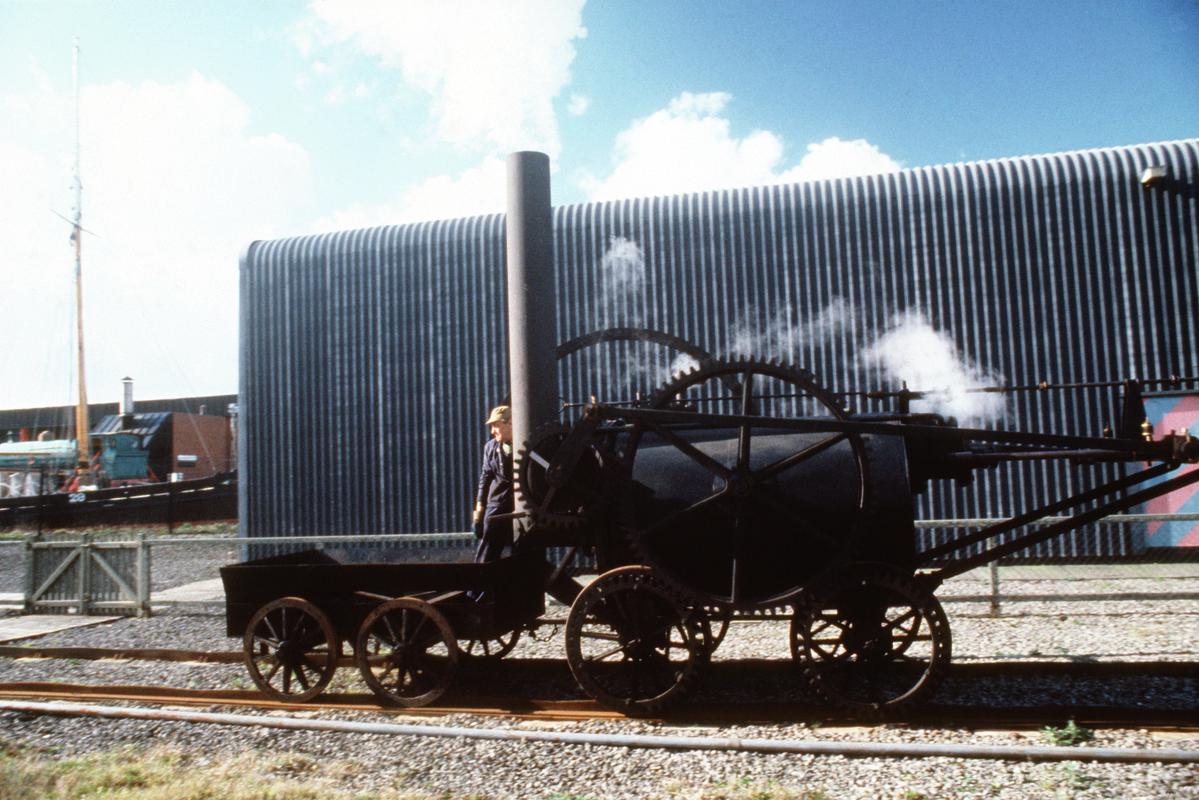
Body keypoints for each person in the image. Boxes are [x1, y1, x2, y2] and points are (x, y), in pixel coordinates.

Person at [473, 404, 514, 563]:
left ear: (509, 423)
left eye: (495, 426)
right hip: (496, 506)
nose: (492, 431)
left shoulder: (526, 442)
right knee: (486, 554)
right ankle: (477, 587)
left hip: (521, 506)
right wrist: (478, 514)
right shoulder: (490, 447)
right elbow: (485, 479)